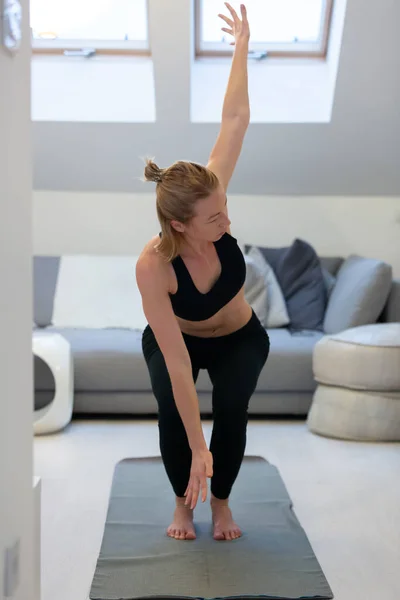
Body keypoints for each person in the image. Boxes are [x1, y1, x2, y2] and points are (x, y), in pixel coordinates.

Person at [136, 2, 270, 542]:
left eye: (225, 209)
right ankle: (182, 506)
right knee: (175, 411)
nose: (227, 220)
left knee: (232, 409)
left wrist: (240, 48)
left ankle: (220, 505)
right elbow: (174, 358)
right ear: (179, 224)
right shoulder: (154, 267)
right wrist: (197, 443)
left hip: (240, 336)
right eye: (214, 219)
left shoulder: (208, 190)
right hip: (180, 344)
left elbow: (235, 120)